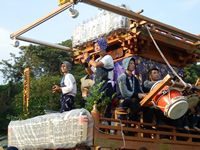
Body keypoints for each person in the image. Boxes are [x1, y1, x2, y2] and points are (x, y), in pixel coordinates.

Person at [81, 37, 114, 118]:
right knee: (91, 106)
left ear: (103, 46)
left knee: (105, 109)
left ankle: (107, 128)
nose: (96, 48)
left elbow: (96, 65)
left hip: (106, 86)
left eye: (98, 45)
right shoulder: (98, 59)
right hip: (97, 86)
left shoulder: (108, 58)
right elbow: (90, 72)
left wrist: (88, 58)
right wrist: (85, 63)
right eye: (95, 46)